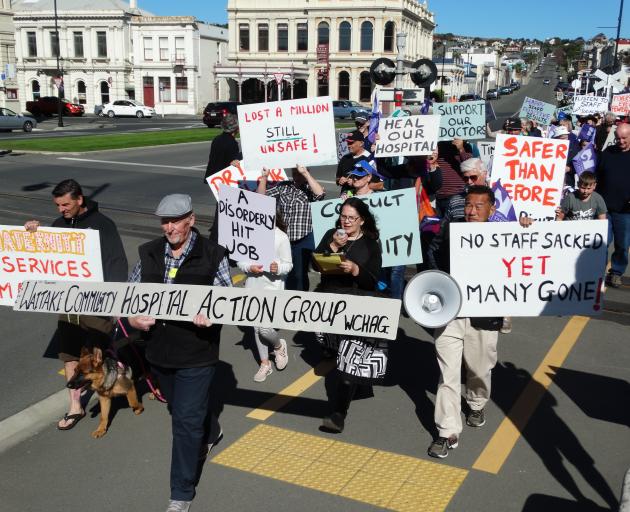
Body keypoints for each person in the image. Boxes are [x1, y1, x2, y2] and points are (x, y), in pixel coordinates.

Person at [127, 194, 231, 512]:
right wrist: (133, 318)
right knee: (182, 408)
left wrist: (213, 313)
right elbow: (130, 297)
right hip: (159, 353)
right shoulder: (148, 253)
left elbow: (228, 301)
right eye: (164, 221)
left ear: (191, 220)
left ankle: (181, 493)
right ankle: (211, 429)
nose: (169, 227)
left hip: (197, 353)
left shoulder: (214, 255)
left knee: (184, 422)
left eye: (175, 221)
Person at [24, 179, 128, 430]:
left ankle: (111, 391)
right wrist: (34, 235)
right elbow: (43, 260)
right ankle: (75, 406)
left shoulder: (103, 225)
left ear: (80, 200)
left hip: (96, 302)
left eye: (65, 204)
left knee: (96, 357)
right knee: (70, 355)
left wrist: (114, 298)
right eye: (58, 205)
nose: (61, 209)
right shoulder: (57, 226)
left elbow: (117, 262)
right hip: (67, 303)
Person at [426, 185, 503, 459]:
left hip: (485, 314)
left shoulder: (505, 233)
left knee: (480, 368)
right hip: (451, 313)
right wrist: (441, 279)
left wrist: (526, 230)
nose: (471, 211)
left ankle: (477, 402)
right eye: (468, 205)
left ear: (491, 209)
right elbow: (433, 251)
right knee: (447, 375)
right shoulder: (452, 228)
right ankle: (447, 432)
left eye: (478, 206)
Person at [312, 197, 383, 433]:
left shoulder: (371, 243)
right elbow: (315, 263)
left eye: (352, 218)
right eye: (343, 216)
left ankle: (338, 414)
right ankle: (360, 386)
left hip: (357, 305)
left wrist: (355, 270)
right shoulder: (333, 234)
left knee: (347, 362)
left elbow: (373, 279)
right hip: (330, 303)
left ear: (362, 220)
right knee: (332, 346)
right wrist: (332, 248)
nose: (346, 221)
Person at [236, 211, 293, 382]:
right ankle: (265, 363)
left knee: (265, 329)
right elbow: (240, 260)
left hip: (273, 288)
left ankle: (278, 345)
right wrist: (250, 267)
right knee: (256, 327)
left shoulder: (281, 237)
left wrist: (278, 268)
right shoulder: (249, 233)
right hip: (253, 287)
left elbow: (288, 264)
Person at [256, 164, 325, 291]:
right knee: (282, 270)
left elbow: (320, 194)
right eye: (294, 173)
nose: (296, 176)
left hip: (302, 238)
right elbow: (261, 198)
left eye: (299, 173)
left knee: (299, 274)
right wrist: (264, 178)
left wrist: (305, 173)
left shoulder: (310, 187)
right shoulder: (284, 186)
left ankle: (300, 299)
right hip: (284, 238)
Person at [596, 123, 630, 288]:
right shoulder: (607, 154)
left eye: (624, 138)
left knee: (622, 245)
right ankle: (596, 272)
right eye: (618, 138)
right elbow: (597, 177)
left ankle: (616, 272)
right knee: (601, 242)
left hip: (626, 211)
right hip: (604, 209)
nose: (621, 141)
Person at [336, 130, 382, 197]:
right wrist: (340, 180)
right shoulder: (345, 158)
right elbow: (338, 178)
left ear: (361, 143)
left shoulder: (370, 158)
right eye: (348, 142)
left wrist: (355, 183)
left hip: (364, 196)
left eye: (351, 143)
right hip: (346, 196)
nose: (348, 145)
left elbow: (377, 183)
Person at [434, 138, 472, 215]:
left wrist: (461, 149)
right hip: (438, 196)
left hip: (458, 195)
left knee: (457, 223)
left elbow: (470, 166)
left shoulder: (466, 146)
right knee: (442, 226)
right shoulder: (438, 145)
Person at [203, 113, 241, 183]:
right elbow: (232, 163)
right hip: (223, 178)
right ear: (236, 128)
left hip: (213, 176)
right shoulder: (232, 143)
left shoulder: (217, 139)